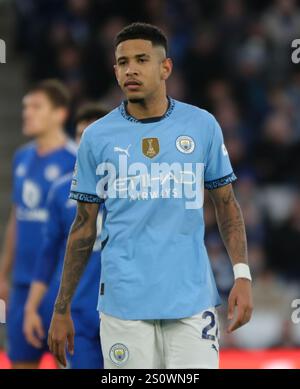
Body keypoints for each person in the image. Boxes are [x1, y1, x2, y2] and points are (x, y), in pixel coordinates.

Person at [48, 22, 253, 369]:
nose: (131, 69)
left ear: (165, 67)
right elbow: (83, 226)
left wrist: (243, 275)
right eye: (122, 62)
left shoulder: (202, 126)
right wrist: (61, 306)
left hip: (191, 301)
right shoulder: (96, 138)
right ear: (115, 71)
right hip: (123, 306)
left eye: (142, 59)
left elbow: (226, 204)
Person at [23, 103, 108, 369]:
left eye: (93, 134)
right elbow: (48, 255)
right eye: (81, 134)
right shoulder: (61, 191)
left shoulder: (131, 188)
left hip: (123, 311)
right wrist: (32, 307)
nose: (86, 141)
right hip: (79, 313)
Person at [0, 79, 76, 369]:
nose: (27, 113)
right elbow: (17, 219)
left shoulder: (75, 159)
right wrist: (4, 273)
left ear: (59, 114)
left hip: (60, 285)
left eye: (36, 107)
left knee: (65, 362)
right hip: (22, 284)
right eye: (25, 107)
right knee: (20, 362)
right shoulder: (22, 158)